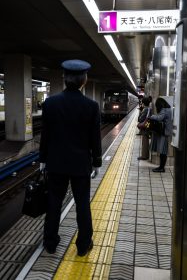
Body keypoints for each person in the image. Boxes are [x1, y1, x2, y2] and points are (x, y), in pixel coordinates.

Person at [39, 59, 102, 256]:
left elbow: (45, 136)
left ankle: (50, 242)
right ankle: (83, 245)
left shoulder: (50, 104)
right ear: (84, 80)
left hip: (55, 164)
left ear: (64, 79)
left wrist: (43, 160)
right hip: (81, 165)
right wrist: (97, 161)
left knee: (54, 203)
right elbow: (95, 138)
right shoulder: (91, 106)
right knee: (82, 204)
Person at [149, 97, 172, 172]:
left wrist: (151, 116)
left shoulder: (165, 110)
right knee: (162, 150)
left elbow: (159, 118)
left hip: (164, 132)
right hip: (164, 132)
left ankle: (161, 168)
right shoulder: (167, 109)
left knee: (163, 150)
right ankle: (161, 167)